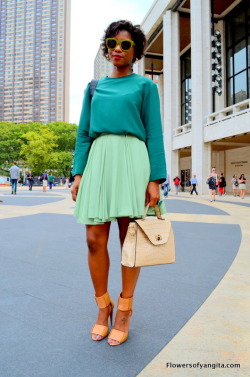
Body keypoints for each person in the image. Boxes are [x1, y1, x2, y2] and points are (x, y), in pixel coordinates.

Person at [71, 20, 166, 347]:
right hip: (98, 162)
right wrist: (78, 173)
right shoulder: (94, 87)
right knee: (94, 239)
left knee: (131, 240)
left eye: (125, 45)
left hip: (133, 162)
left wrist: (155, 180)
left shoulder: (145, 87)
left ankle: (124, 309)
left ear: (136, 51)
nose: (117, 48)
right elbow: (83, 133)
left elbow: (153, 132)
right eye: (112, 42)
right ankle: (103, 306)